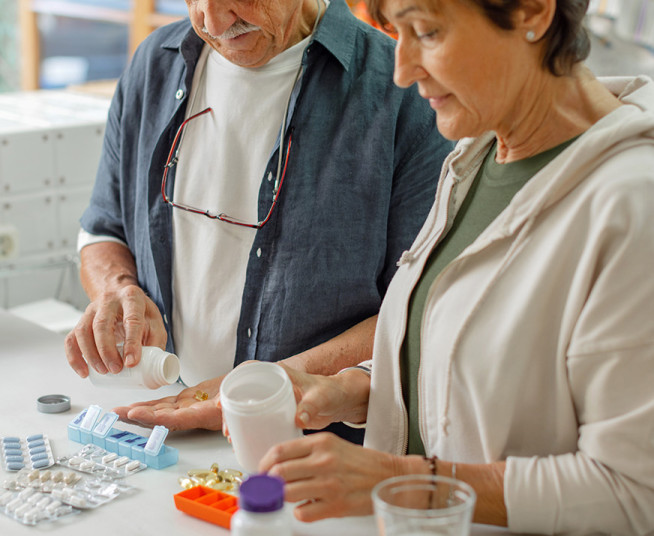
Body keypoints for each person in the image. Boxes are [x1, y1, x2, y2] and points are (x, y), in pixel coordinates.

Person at [257, 0, 654, 533]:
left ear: (531, 12)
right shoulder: (480, 150)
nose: (402, 69)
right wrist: (359, 388)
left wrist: (396, 481)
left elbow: (632, 492)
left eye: (426, 31)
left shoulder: (632, 206)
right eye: (396, 33)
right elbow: (482, 356)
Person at [64, 0, 451, 438]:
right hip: (172, 429)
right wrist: (117, 288)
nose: (212, 22)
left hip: (317, 448)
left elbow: (422, 311)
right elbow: (102, 228)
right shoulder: (155, 62)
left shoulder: (405, 94)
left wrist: (258, 390)